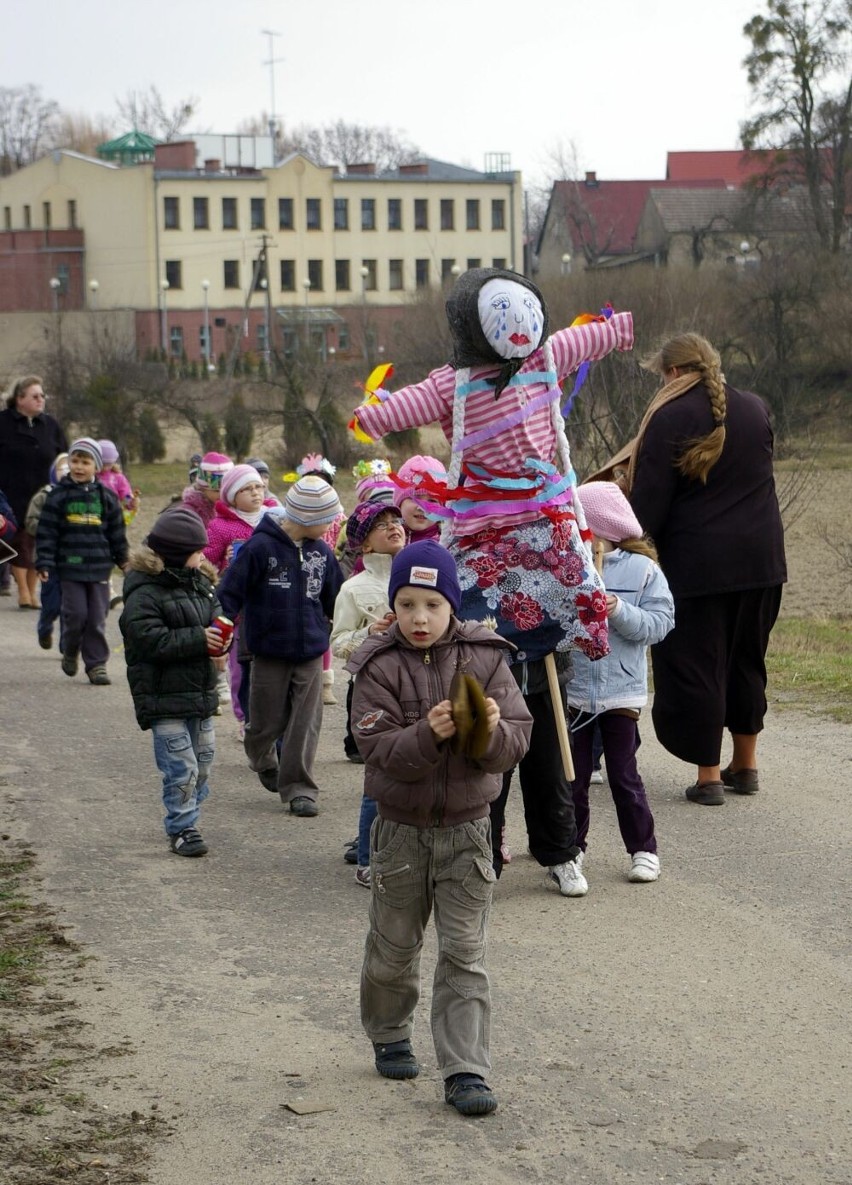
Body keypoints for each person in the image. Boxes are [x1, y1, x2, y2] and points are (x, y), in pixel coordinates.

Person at [350, 268, 633, 664]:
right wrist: (373, 417)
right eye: (502, 310)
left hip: (544, 509)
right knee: (466, 591)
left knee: (574, 580)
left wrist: (615, 331)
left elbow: (582, 337)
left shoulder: (546, 357)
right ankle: (474, 651)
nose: (518, 323)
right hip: (485, 516)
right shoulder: (455, 382)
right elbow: (414, 400)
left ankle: (577, 636)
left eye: (525, 310)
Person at [346, 539, 532, 1117]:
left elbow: (515, 744)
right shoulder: (375, 665)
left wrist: (490, 731)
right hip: (399, 833)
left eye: (431, 603)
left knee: (465, 953)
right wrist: (428, 733)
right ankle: (389, 1030)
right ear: (392, 606)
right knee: (393, 946)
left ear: (452, 603)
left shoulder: (488, 658)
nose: (419, 618)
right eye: (406, 604)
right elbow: (375, 749)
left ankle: (465, 1069)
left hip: (468, 834)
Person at [605, 332, 786, 804]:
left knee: (695, 667)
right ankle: (745, 766)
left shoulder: (668, 416)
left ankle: (708, 778)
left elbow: (649, 506)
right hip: (763, 563)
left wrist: (624, 539)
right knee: (747, 659)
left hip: (698, 568)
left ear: (670, 373)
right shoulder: (754, 408)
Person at [567, 482, 675, 883]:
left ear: (601, 526)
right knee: (573, 778)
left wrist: (618, 610)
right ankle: (572, 849)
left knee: (623, 775)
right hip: (576, 692)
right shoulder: (567, 566)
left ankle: (644, 849)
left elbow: (661, 624)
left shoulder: (643, 569)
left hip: (622, 692)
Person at [217, 476, 344, 816]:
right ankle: (261, 757)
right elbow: (229, 591)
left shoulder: (322, 552)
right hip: (268, 650)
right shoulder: (260, 548)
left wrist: (352, 628)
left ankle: (300, 788)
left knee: (306, 721)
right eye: (327, 518)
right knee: (264, 721)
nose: (332, 524)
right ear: (307, 518)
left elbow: (337, 598)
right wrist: (221, 624)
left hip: (311, 652)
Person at [119, 506, 227, 857]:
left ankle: (190, 808)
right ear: (179, 555)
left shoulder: (202, 583)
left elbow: (215, 614)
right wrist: (199, 639)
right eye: (198, 551)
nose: (203, 555)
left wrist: (220, 639)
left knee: (204, 761)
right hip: (162, 697)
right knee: (181, 767)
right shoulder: (143, 592)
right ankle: (183, 826)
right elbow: (147, 638)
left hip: (199, 691)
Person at [330, 499, 406, 884]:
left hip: (417, 688)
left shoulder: (420, 574)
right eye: (382, 525)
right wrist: (369, 633)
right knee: (379, 777)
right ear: (365, 545)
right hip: (375, 690)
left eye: (397, 521)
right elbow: (339, 642)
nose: (394, 527)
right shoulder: (354, 589)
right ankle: (368, 858)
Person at [35, 438, 128, 686]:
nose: (78, 467)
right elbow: (47, 532)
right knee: (76, 614)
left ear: (96, 466)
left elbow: (117, 533)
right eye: (75, 461)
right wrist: (44, 562)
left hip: (99, 568)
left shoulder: (106, 497)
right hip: (70, 567)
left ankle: (96, 664)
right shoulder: (58, 496)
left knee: (96, 618)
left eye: (85, 462)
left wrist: (124, 560)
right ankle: (71, 648)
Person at [203, 464, 278, 727]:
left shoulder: (275, 518)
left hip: (271, 601)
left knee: (268, 666)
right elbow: (207, 563)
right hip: (237, 606)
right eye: (246, 489)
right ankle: (244, 717)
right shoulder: (221, 527)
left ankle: (269, 717)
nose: (256, 493)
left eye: (258, 486)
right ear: (232, 495)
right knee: (240, 667)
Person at [0, 375, 68, 608]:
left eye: (42, 396)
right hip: (11, 492)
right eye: (35, 396)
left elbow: (63, 457)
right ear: (20, 399)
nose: (41, 400)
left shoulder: (51, 425)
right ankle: (23, 592)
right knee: (20, 543)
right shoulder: (3, 423)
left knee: (36, 543)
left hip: (43, 493)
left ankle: (32, 591)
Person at [287, 453, 346, 705]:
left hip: (325, 573)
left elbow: (344, 545)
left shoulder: (337, 516)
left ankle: (325, 682)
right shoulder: (293, 523)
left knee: (323, 630)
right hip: (304, 577)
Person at [25, 453, 70, 650]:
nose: (68, 471)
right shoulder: (44, 495)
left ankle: (66, 644)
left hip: (73, 560)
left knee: (70, 606)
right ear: (54, 472)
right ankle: (44, 627)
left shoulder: (80, 496)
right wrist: (50, 527)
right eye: (63, 468)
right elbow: (30, 522)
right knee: (52, 604)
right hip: (49, 559)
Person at [392, 454, 446, 543]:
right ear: (399, 504)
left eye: (432, 501)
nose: (422, 508)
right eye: (414, 499)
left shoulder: (447, 545)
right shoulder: (384, 541)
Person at [181, 451, 233, 527]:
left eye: (227, 490)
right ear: (202, 489)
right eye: (217, 491)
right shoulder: (190, 513)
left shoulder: (236, 507)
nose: (222, 494)